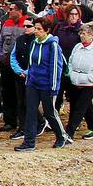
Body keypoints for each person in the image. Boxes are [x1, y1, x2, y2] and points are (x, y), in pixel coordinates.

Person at [12, 17, 68, 150]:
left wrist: (54, 87)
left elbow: (56, 67)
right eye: (35, 28)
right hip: (33, 83)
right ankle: (29, 142)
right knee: (30, 112)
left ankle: (61, 136)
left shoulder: (53, 45)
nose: (36, 31)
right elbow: (31, 64)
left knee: (49, 112)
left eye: (39, 29)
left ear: (47, 31)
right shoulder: (34, 43)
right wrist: (28, 78)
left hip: (47, 84)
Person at [63, 23, 93, 140]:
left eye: (84, 33)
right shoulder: (77, 47)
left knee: (79, 108)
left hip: (89, 84)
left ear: (92, 35)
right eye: (80, 33)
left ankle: (69, 133)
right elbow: (70, 62)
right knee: (84, 106)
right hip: (75, 82)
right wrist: (72, 75)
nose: (81, 36)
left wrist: (89, 78)